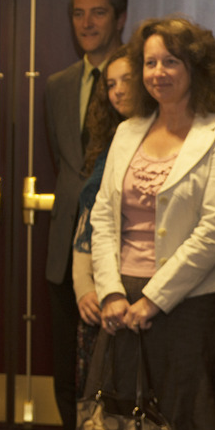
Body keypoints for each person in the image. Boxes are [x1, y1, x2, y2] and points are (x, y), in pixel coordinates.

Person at [92, 16, 215, 430]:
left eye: (172, 61)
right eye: (150, 62)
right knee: (130, 429)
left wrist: (154, 300)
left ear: (196, 67)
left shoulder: (214, 134)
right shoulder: (127, 131)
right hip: (122, 304)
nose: (159, 72)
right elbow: (103, 215)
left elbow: (213, 230)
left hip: (189, 305)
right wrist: (111, 292)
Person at [35, 0, 128, 430]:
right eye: (78, 13)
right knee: (68, 379)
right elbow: (69, 172)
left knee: (120, 373)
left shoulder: (143, 77)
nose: (87, 23)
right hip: (65, 253)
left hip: (128, 253)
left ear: (119, 19)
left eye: (98, 13)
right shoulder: (58, 86)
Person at [71, 45, 133, 398]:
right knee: (102, 415)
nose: (118, 91)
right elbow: (90, 222)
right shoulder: (108, 143)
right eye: (110, 84)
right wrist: (84, 287)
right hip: (100, 294)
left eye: (126, 80)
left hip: (141, 294)